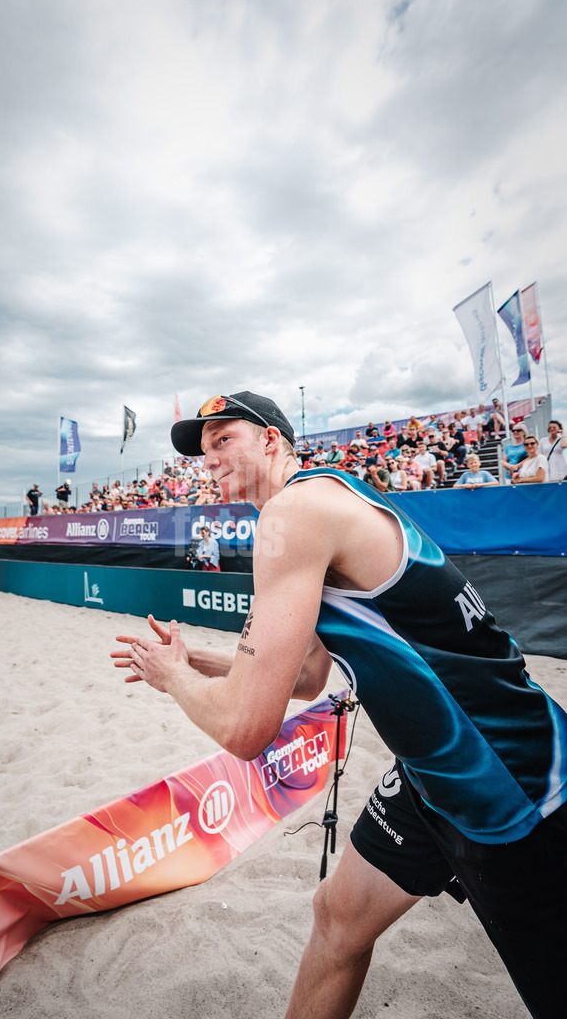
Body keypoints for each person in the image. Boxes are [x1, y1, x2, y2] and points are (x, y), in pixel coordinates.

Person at [111, 389, 567, 1019]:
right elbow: (307, 674)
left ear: (271, 439)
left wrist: (172, 680)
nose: (209, 459)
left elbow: (247, 729)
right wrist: (193, 662)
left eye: (224, 440)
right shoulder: (328, 496)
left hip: (510, 782)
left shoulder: (293, 513)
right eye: (204, 448)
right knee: (337, 919)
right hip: (434, 772)